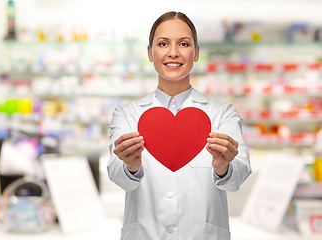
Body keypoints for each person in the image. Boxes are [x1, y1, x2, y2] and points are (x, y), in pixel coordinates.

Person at [107, 11, 252, 240]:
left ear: (196, 53)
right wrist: (130, 166)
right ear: (150, 52)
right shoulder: (127, 114)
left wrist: (224, 167)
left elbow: (237, 179)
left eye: (183, 44)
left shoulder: (222, 114)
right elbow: (117, 175)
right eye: (163, 43)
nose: (173, 52)